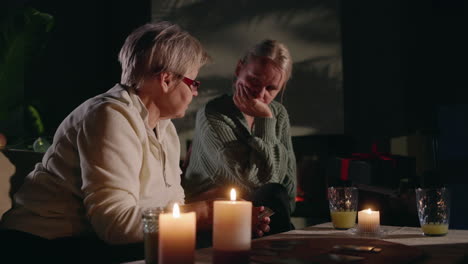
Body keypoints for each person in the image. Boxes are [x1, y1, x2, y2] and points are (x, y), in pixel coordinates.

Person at [0, 22, 269, 263]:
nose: (195, 92)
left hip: (96, 241)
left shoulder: (165, 130)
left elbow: (171, 211)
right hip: (43, 246)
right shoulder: (109, 116)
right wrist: (204, 214)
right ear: (166, 79)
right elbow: (115, 225)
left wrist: (222, 216)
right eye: (193, 82)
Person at [183, 39, 296, 234]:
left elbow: (288, 191)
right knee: (272, 193)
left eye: (271, 88)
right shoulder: (213, 113)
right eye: (254, 80)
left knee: (274, 195)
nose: (260, 94)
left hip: (260, 216)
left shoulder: (279, 114)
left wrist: (267, 117)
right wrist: (265, 120)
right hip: (213, 219)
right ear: (239, 68)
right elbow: (259, 185)